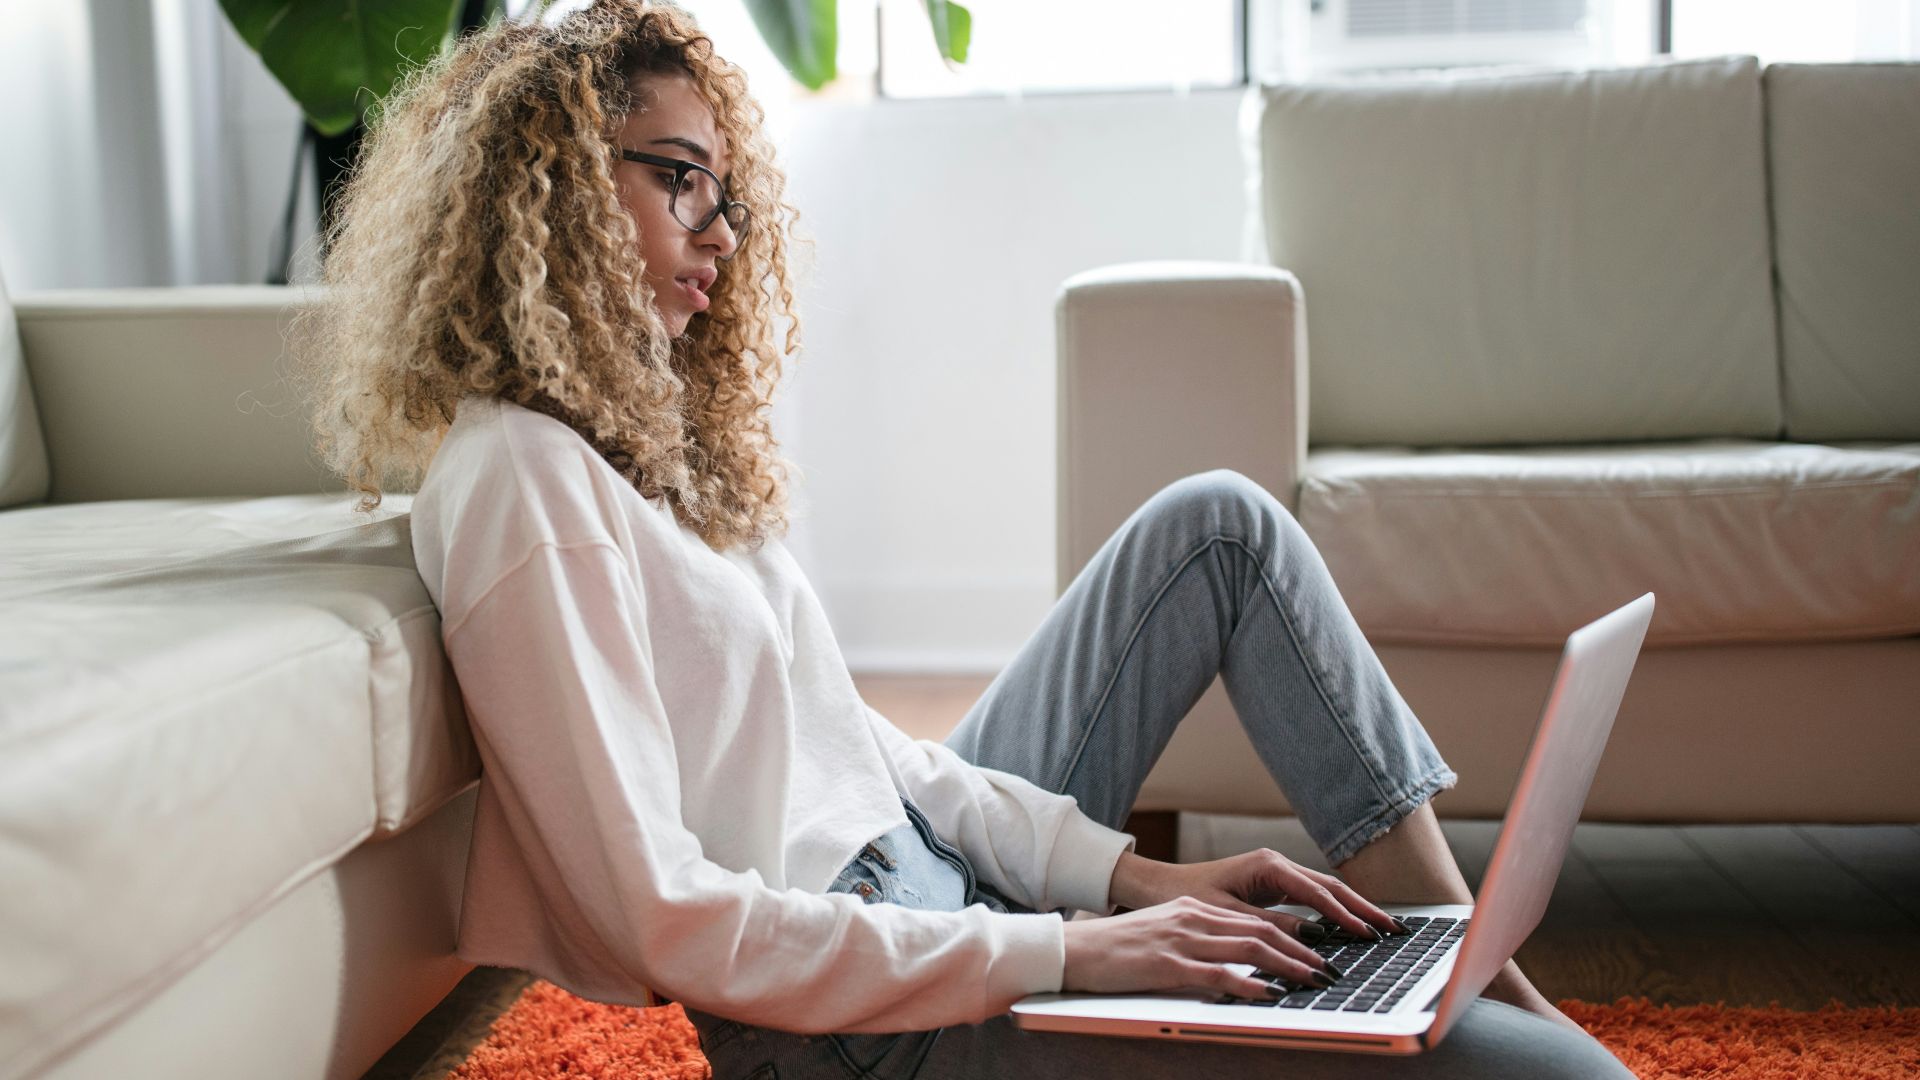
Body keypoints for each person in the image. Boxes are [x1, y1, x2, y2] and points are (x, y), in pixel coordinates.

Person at [289, 3, 1635, 1077]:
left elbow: (871, 756)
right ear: (557, 190)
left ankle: (1461, 964)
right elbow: (664, 916)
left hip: (940, 903)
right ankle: (1465, 1001)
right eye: (681, 179)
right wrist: (1069, 953)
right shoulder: (523, 482)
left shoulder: (644, 457)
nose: (723, 225)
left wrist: (1131, 877)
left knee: (1219, 529)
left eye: (727, 187)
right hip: (873, 1032)